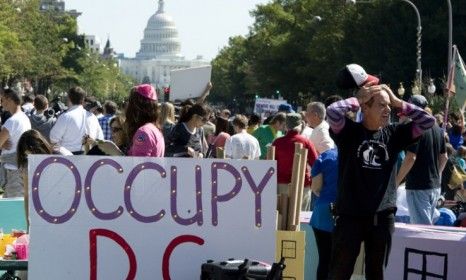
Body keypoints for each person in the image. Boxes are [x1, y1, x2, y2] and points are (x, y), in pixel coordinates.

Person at [327, 64, 435, 280]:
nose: (388, 111)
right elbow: (332, 112)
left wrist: (397, 101)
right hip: (350, 214)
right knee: (340, 272)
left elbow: (428, 121)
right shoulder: (349, 132)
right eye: (381, 106)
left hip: (382, 216)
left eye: (389, 106)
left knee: (376, 273)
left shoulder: (395, 133)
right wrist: (357, 99)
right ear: (365, 108)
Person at [396, 95, 448, 225]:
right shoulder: (436, 127)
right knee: (426, 228)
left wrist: (396, 182)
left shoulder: (416, 127)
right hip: (434, 186)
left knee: (422, 230)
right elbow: (444, 157)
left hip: (419, 186)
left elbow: (411, 157)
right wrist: (436, 175)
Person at [272, 113, 318, 211]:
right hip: (302, 185)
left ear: (286, 126)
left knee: (281, 218)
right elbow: (315, 164)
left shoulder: (277, 142)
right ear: (300, 125)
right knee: (299, 219)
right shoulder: (306, 142)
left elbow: (270, 165)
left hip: (281, 185)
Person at [310, 148, 338, 280]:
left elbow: (316, 187)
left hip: (323, 211)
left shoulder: (326, 155)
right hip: (349, 214)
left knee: (324, 259)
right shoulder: (360, 154)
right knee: (342, 263)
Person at [49, 87, 103, 155]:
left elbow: (53, 138)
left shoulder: (65, 117)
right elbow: (100, 138)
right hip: (88, 158)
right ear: (83, 100)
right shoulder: (93, 117)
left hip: (68, 158)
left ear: (69, 98)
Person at [0, 88, 31, 198]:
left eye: (2, 100)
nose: (1, 103)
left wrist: (2, 144)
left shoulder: (12, 121)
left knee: (14, 208)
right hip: (20, 168)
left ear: (9, 99)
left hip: (13, 170)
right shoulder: (24, 118)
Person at [125, 84, 164, 157]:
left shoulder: (143, 132)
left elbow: (137, 166)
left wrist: (114, 151)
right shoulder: (153, 129)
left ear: (136, 107)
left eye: (130, 102)